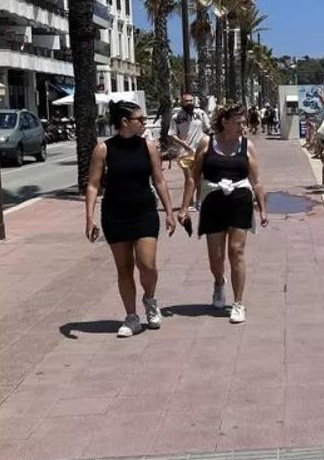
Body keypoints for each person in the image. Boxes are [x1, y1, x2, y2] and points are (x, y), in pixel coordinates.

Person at [85, 101, 177, 337]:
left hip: (144, 211)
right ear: (125, 122)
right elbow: (93, 185)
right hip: (115, 214)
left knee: (147, 265)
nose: (144, 123)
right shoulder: (103, 149)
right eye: (140, 119)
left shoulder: (148, 145)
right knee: (124, 268)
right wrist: (89, 217)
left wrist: (169, 211)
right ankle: (131, 317)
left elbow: (159, 180)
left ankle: (150, 298)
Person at [189, 103, 269, 324]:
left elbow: (257, 181)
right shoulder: (207, 143)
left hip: (239, 199)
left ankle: (238, 302)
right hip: (213, 200)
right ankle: (218, 282)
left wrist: (262, 209)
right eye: (238, 122)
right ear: (224, 122)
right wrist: (185, 205)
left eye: (244, 122)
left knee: (236, 251)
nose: (243, 126)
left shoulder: (247, 146)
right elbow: (193, 176)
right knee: (216, 257)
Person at [169, 93, 208, 217]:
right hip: (184, 153)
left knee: (200, 178)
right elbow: (172, 134)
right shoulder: (176, 117)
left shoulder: (201, 114)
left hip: (200, 151)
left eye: (191, 100)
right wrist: (182, 143)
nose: (189, 102)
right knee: (190, 178)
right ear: (182, 102)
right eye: (186, 101)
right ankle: (189, 202)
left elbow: (207, 129)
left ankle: (199, 201)